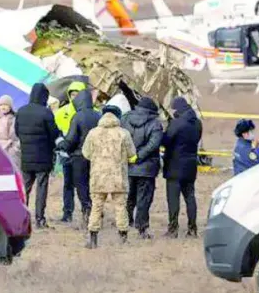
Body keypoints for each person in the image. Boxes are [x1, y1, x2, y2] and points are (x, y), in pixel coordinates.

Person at [82, 105, 137, 248]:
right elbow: (132, 154)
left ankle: (93, 239)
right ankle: (123, 239)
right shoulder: (123, 133)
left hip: (98, 177)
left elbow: (86, 154)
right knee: (120, 207)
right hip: (118, 178)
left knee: (96, 207)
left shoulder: (93, 133)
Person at [15, 83, 61, 229]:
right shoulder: (46, 112)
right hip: (43, 156)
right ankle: (40, 219)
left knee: (25, 188)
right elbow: (53, 133)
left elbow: (17, 132)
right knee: (41, 187)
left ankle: (21, 218)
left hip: (26, 157)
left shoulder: (21, 111)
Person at [121, 96, 164, 239]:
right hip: (147, 168)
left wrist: (130, 155)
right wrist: (138, 156)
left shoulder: (125, 119)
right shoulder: (155, 123)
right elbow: (154, 144)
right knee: (144, 199)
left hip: (128, 165)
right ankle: (142, 228)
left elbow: (121, 138)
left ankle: (126, 223)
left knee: (129, 196)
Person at [57, 89, 99, 228]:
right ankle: (96, 214)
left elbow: (71, 139)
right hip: (96, 157)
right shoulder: (98, 115)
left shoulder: (78, 117)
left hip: (79, 157)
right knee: (94, 187)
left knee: (81, 186)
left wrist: (62, 144)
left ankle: (87, 213)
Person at [162, 97, 203, 238]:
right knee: (190, 197)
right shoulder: (197, 123)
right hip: (191, 165)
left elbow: (166, 141)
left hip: (174, 165)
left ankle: (173, 229)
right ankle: (192, 228)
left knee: (173, 199)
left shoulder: (176, 123)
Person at [55, 80, 87, 224]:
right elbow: (57, 130)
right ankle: (67, 213)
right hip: (67, 153)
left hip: (83, 154)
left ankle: (87, 211)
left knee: (85, 184)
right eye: (72, 94)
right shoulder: (62, 112)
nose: (74, 97)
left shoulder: (90, 112)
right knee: (68, 185)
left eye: (77, 94)